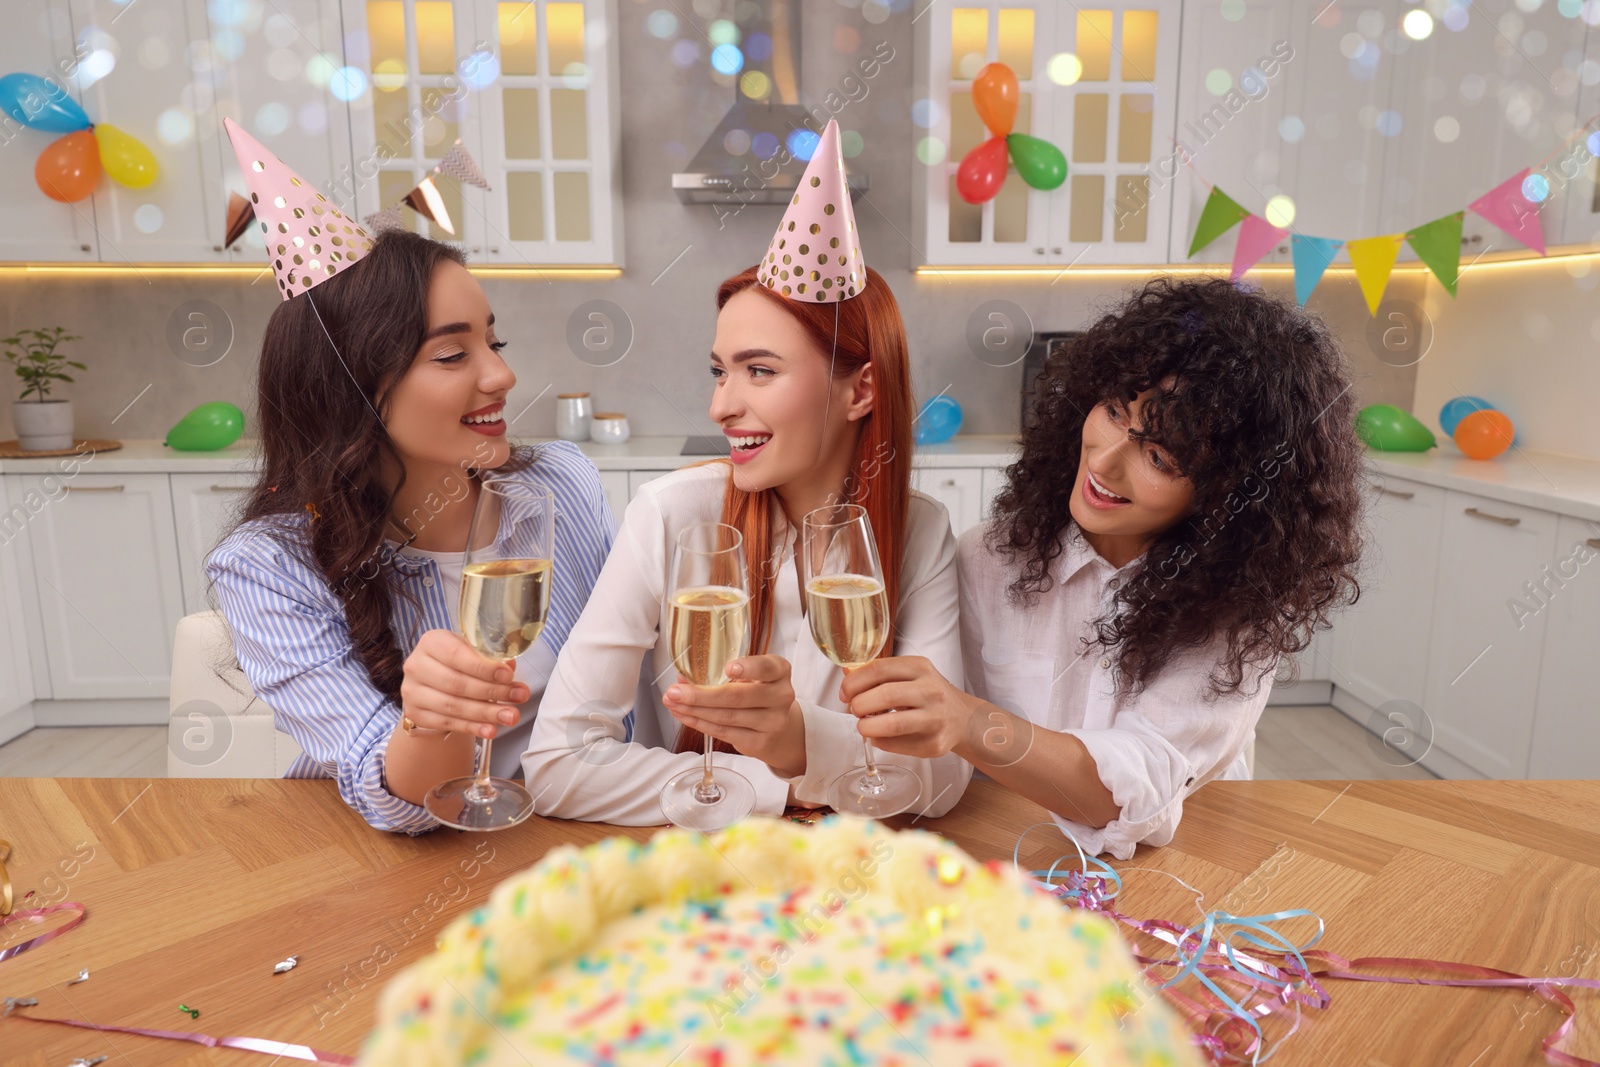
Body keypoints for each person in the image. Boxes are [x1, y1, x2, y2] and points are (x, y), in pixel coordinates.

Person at [522, 121, 972, 823]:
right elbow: (557, 765)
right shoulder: (671, 515)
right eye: (719, 371)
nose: (721, 405)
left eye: (759, 371)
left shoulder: (920, 531)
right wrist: (782, 777)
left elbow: (944, 773)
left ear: (861, 391)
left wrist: (803, 741)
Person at [839, 277, 1365, 858]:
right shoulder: (987, 557)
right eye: (1114, 411)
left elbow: (1133, 788)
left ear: (1228, 495)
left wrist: (970, 722)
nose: (1105, 461)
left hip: (1187, 871)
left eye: (1159, 456)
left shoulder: (1238, 613)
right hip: (1008, 857)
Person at [206, 121, 614, 833]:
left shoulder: (563, 482)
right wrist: (429, 719)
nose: (503, 375)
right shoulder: (268, 567)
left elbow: (628, 692)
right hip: (385, 875)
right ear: (349, 388)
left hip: (568, 842)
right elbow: (396, 804)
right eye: (453, 356)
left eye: (495, 340)